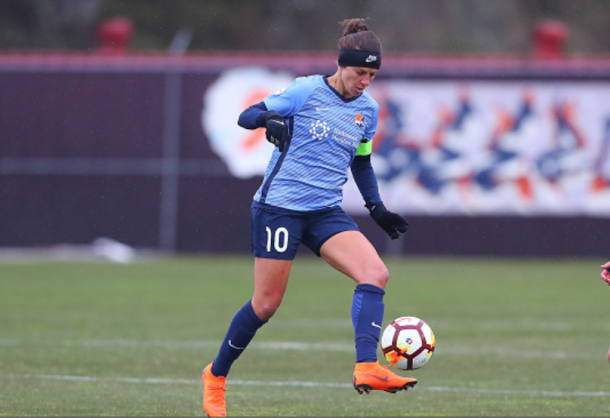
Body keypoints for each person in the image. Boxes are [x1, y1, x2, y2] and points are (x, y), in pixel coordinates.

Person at [202, 18, 414, 417]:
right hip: (279, 208)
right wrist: (271, 119)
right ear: (341, 64)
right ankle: (215, 376)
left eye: (372, 74)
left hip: (324, 212)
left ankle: (367, 367)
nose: (365, 80)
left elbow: (362, 164)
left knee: (376, 273)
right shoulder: (305, 90)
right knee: (265, 305)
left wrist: (376, 208)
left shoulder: (367, 111)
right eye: (359, 72)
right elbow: (247, 115)